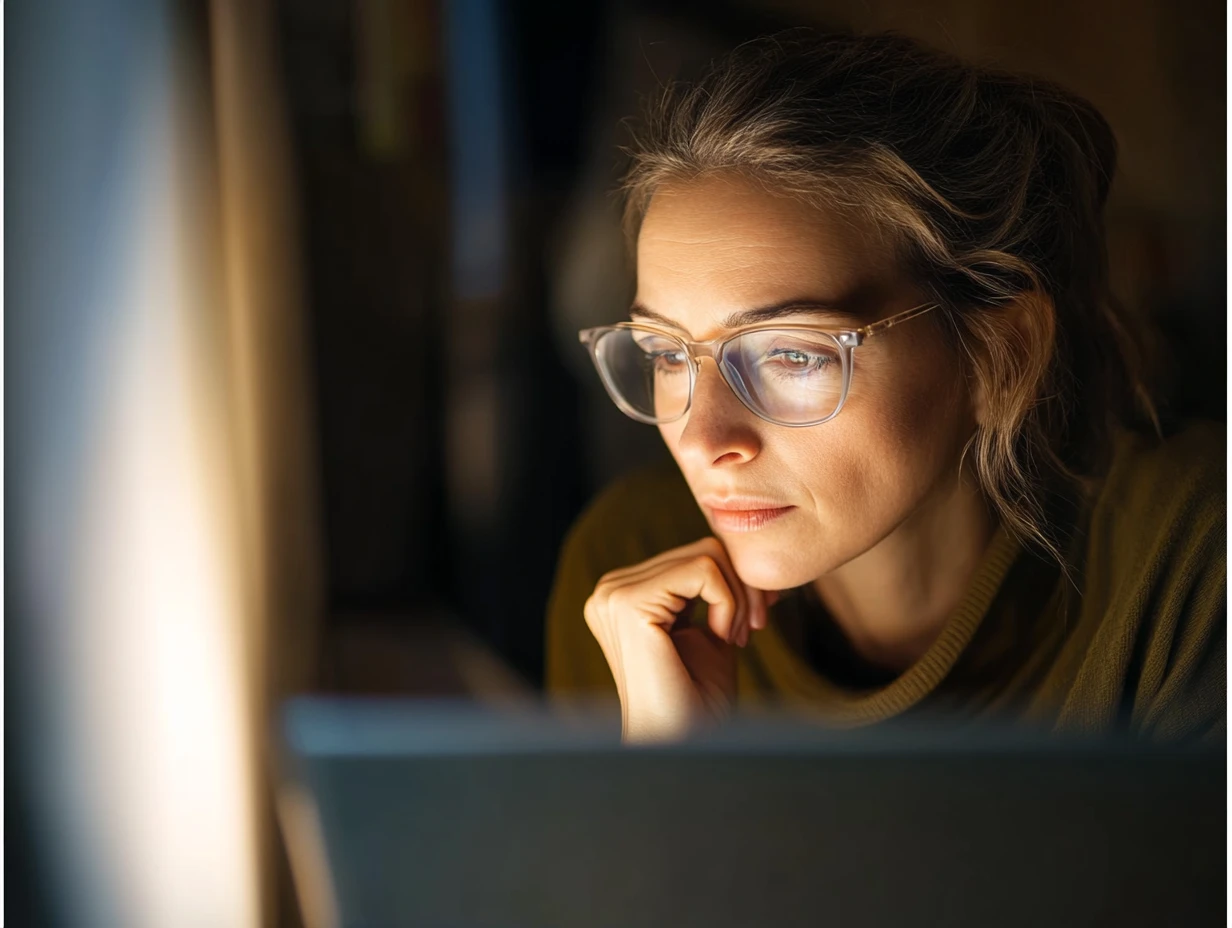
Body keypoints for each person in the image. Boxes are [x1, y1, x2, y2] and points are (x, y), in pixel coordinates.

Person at [544, 30, 1225, 743]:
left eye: (791, 356)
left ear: (1003, 354)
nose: (706, 440)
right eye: (667, 354)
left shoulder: (1192, 568)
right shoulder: (630, 583)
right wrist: (664, 764)